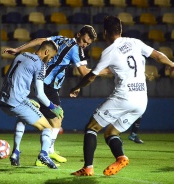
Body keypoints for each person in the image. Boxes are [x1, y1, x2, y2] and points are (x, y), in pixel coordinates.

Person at [69, 15, 174, 176]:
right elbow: (158, 55)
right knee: (110, 133)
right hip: (141, 101)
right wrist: (172, 64)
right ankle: (121, 157)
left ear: (105, 33)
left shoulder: (109, 52)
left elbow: (91, 76)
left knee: (91, 127)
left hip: (124, 97)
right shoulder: (135, 42)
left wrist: (77, 87)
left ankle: (88, 167)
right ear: (121, 30)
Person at [3, 25, 99, 166]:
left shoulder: (60, 39)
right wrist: (104, 70)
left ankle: (22, 151)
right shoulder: (75, 49)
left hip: (42, 81)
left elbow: (40, 40)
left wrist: (18, 49)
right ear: (78, 35)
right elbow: (85, 73)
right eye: (84, 41)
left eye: (88, 44)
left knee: (26, 114)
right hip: (48, 85)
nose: (84, 45)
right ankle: (45, 154)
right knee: (57, 119)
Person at [0, 41, 63, 169]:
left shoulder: (21, 56)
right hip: (16, 102)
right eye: (50, 57)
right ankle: (44, 154)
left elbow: (15, 80)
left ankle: (16, 152)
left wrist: (27, 99)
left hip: (2, 99)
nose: (49, 60)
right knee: (47, 128)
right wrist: (52, 107)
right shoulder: (39, 64)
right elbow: (39, 94)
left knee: (24, 116)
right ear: (46, 52)